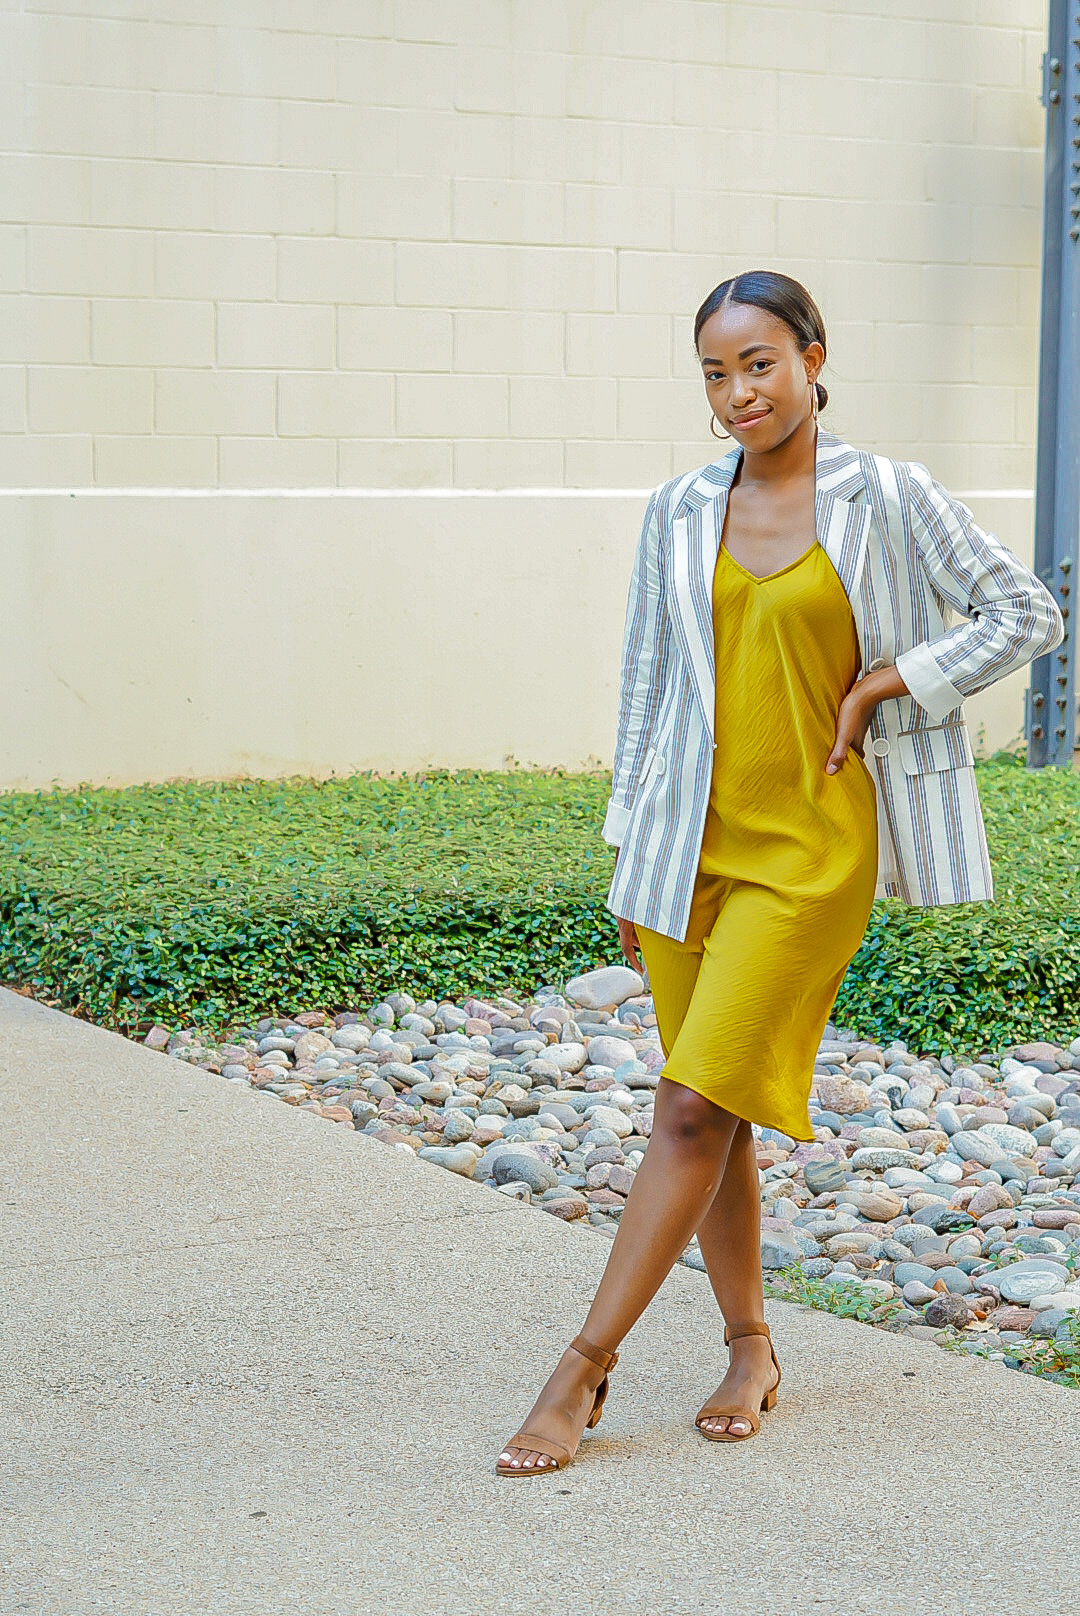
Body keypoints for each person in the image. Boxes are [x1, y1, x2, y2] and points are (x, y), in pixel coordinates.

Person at [494, 269, 1064, 1476]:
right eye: (714, 371)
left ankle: (580, 1365)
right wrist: (628, 856)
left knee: (692, 1104)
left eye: (759, 363)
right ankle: (751, 1343)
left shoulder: (889, 494)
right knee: (720, 1109)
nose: (738, 391)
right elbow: (649, 682)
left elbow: (1026, 610)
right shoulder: (680, 510)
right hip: (687, 849)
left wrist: (891, 679)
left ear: (813, 356)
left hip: (813, 852)